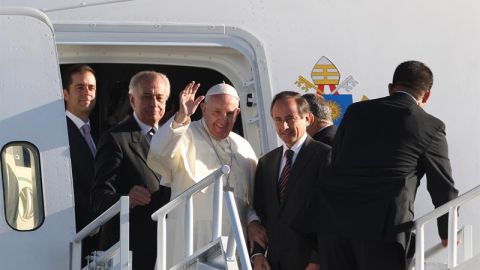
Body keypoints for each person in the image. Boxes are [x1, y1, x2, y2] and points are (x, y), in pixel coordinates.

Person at [315, 61, 459, 270]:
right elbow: (442, 186)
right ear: (426, 95)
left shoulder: (356, 112)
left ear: (391, 88)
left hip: (336, 227)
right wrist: (447, 232)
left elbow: (335, 160)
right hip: (383, 232)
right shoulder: (430, 126)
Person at [147, 82, 266, 266]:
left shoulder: (244, 147)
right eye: (216, 112)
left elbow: (249, 201)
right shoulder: (184, 133)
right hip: (188, 239)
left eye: (229, 113)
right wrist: (181, 117)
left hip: (232, 243)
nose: (223, 120)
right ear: (203, 109)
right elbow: (159, 153)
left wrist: (252, 222)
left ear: (238, 113)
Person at [92, 71, 171, 270]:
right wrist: (126, 198)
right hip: (131, 254)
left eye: (159, 97)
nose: (154, 103)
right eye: (146, 96)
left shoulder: (173, 139)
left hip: (168, 249)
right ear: (131, 99)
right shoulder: (115, 139)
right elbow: (98, 198)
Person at [251, 91, 331, 270]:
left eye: (290, 118)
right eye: (277, 120)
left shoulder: (325, 156)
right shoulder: (267, 163)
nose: (284, 126)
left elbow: (330, 216)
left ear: (308, 118)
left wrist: (316, 260)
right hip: (274, 263)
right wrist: (257, 254)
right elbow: (261, 214)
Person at [62, 64, 98, 263]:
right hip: (76, 234)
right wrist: (94, 221)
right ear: (65, 94)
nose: (87, 92)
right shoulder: (59, 131)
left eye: (91, 87)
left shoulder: (96, 134)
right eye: (80, 87)